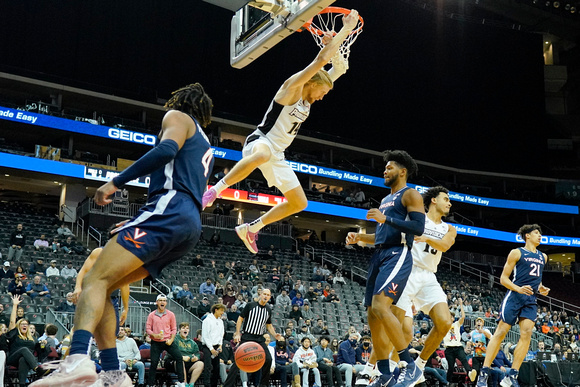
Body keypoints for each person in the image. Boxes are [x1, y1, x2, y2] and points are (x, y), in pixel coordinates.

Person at [32, 83, 214, 387]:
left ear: (179, 102)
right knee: (106, 287)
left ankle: (77, 359)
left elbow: (165, 150)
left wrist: (116, 181)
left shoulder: (178, 117)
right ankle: (114, 375)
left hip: (170, 209)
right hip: (188, 223)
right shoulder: (205, 141)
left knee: (93, 280)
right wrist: (141, 218)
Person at [202, 10, 360, 254]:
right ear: (312, 84)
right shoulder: (292, 89)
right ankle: (214, 191)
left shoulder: (311, 93)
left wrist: (334, 44)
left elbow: (338, 69)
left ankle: (251, 228)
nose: (323, 97)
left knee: (300, 202)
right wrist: (345, 29)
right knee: (263, 155)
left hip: (278, 154)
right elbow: (319, 62)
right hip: (260, 141)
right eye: (323, 92)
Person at [346, 150, 426, 387]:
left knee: (382, 306)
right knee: (372, 314)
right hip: (379, 253)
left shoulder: (411, 194)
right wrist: (360, 238)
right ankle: (384, 373)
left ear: (402, 171)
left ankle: (409, 366)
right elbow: (381, 234)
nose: (385, 170)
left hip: (398, 253)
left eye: (389, 167)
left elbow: (418, 228)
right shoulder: (385, 199)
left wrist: (386, 219)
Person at [383, 186, 457, 384]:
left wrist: (425, 237)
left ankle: (419, 365)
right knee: (402, 329)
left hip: (428, 276)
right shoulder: (416, 218)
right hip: (408, 270)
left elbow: (445, 245)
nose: (449, 203)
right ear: (433, 200)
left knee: (445, 322)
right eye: (446, 198)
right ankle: (386, 371)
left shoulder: (449, 228)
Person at [476, 224, 550, 387]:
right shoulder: (517, 252)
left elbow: (536, 279)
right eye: (536, 233)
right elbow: (503, 279)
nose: (540, 236)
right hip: (515, 296)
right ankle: (484, 371)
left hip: (531, 299)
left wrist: (541, 287)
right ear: (527, 236)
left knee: (527, 332)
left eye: (540, 233)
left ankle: (513, 374)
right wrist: (518, 288)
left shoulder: (543, 257)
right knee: (501, 331)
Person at [223, 288, 282, 387]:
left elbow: (268, 325)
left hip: (259, 338)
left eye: (268, 295)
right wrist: (237, 333)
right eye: (264, 294)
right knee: (238, 360)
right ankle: (227, 385)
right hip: (247, 336)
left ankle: (263, 385)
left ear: (269, 297)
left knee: (268, 359)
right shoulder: (250, 305)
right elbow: (240, 319)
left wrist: (274, 334)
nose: (265, 296)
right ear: (260, 295)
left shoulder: (268, 309)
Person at [7, 295, 49, 386]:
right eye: (22, 324)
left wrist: (43, 343)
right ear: (18, 326)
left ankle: (22, 385)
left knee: (23, 359)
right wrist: (15, 305)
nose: (24, 325)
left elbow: (39, 350)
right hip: (12, 358)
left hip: (27, 360)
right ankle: (38, 369)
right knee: (24, 349)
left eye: (26, 324)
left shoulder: (33, 338)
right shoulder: (15, 334)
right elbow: (11, 322)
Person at [201, 303, 226, 387]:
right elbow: (205, 335)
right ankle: (207, 385)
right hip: (207, 347)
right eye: (221, 311)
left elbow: (221, 334)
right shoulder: (207, 320)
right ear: (216, 310)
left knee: (216, 367)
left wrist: (220, 345)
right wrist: (211, 349)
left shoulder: (221, 321)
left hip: (217, 346)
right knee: (208, 367)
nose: (222, 313)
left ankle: (214, 385)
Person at [173, 322, 204, 387]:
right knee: (180, 362)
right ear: (179, 330)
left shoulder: (193, 343)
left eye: (187, 328)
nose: (185, 330)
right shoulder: (175, 339)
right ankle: (184, 384)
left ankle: (191, 384)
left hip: (189, 362)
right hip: (175, 361)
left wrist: (196, 358)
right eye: (183, 328)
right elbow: (171, 352)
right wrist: (181, 357)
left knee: (200, 364)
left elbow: (197, 353)